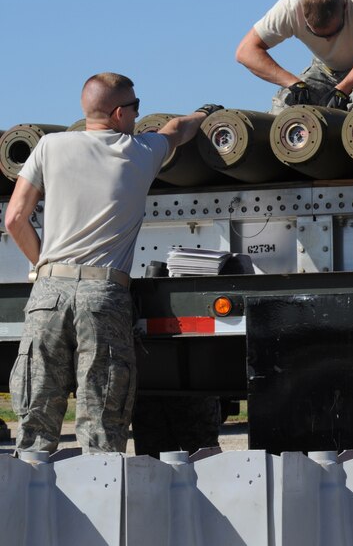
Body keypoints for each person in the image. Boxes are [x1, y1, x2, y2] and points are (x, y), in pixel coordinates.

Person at [5, 72, 222, 454]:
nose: (139, 116)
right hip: (102, 295)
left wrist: (45, 266)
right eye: (137, 107)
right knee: (102, 422)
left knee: (35, 423)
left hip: (47, 292)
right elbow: (176, 130)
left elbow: (14, 219)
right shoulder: (138, 152)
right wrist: (202, 114)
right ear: (120, 113)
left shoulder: (49, 146)